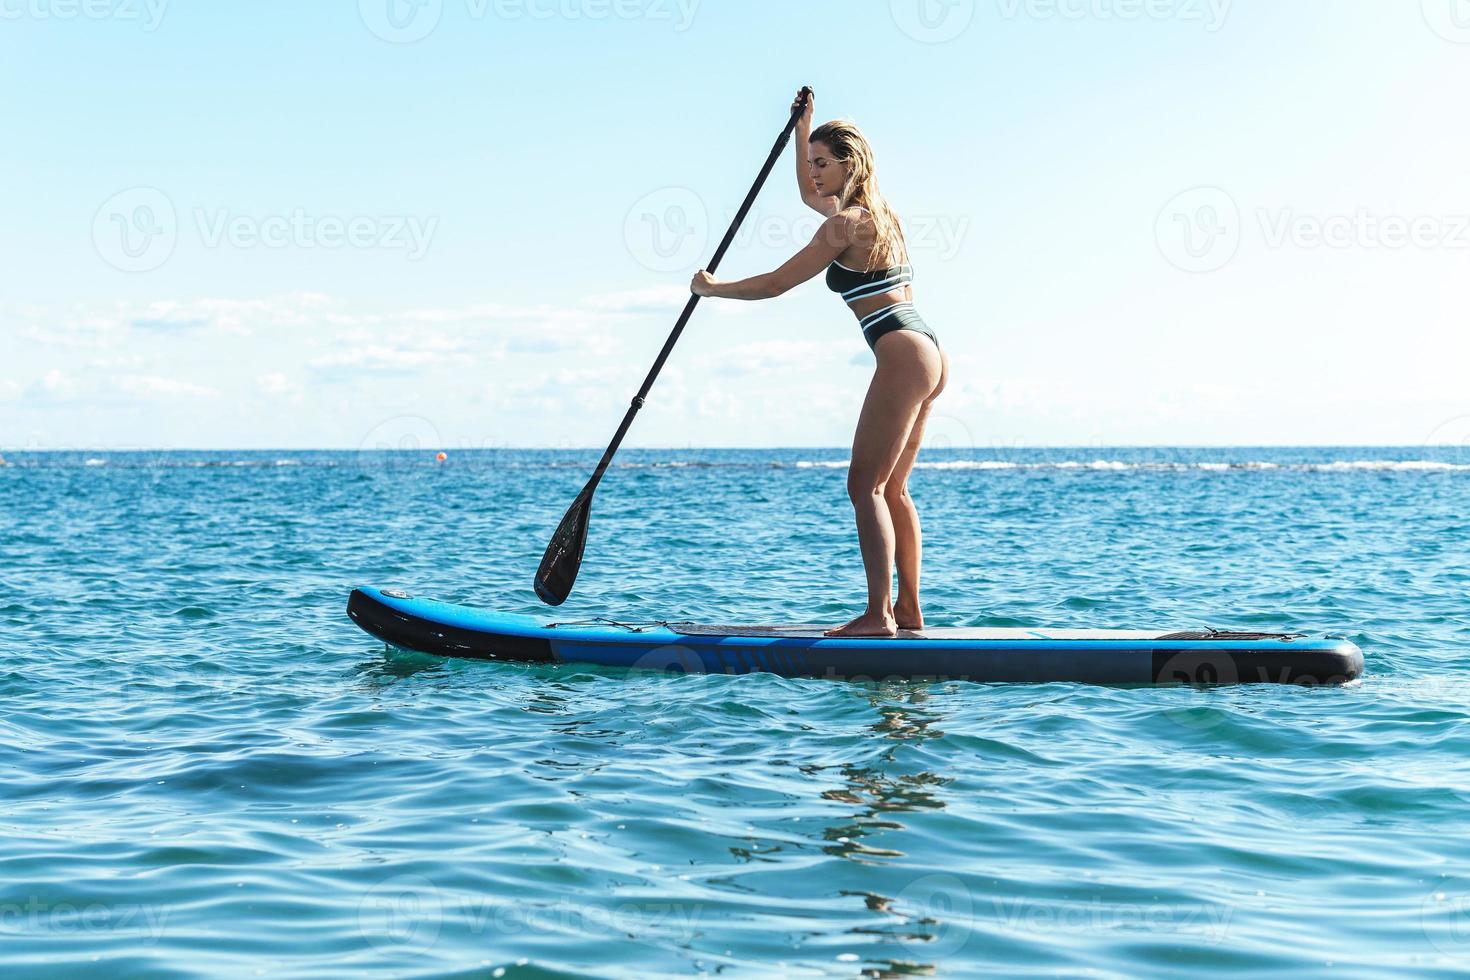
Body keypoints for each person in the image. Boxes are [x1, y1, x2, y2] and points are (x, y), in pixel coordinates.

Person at [691, 89, 949, 637]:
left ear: (849, 164)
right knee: (894, 488)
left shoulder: (844, 226)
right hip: (926, 348)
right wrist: (803, 128)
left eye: (822, 163)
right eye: (810, 163)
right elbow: (812, 195)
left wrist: (714, 289)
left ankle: (878, 617)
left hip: (901, 352)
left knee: (866, 488)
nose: (813, 173)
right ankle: (908, 611)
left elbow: (775, 284)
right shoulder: (880, 215)